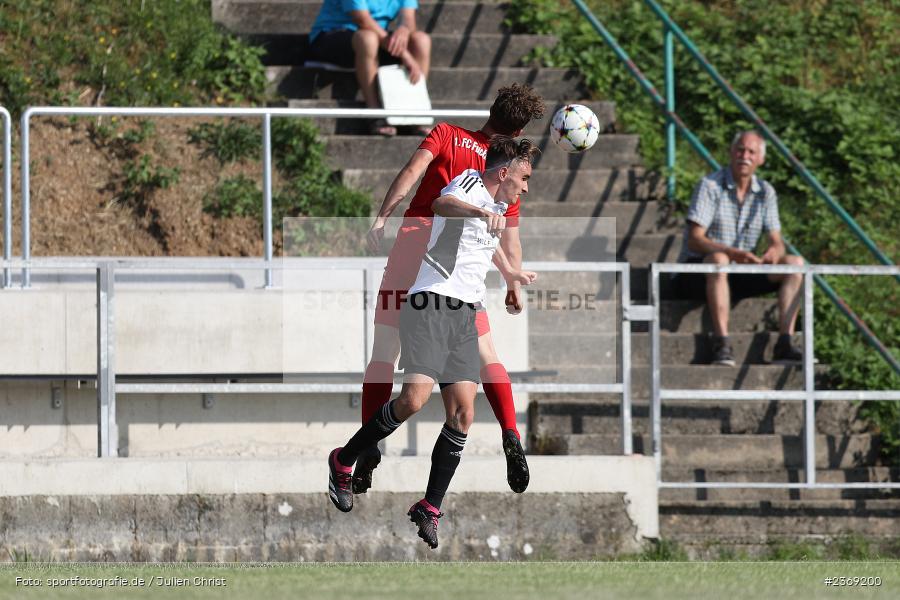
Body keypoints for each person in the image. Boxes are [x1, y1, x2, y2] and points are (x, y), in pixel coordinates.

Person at [328, 137, 539, 550]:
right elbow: (442, 206)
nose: (526, 187)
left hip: (464, 313)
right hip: (430, 303)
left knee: (462, 415)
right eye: (525, 177)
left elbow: (486, 241)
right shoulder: (469, 185)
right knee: (412, 400)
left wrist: (511, 273)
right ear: (504, 172)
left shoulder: (494, 208)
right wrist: (481, 212)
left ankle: (429, 506)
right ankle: (343, 459)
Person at [353, 83, 545, 498]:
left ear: (490, 110)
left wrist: (382, 218)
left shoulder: (447, 135)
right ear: (516, 133)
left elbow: (411, 173)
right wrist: (513, 279)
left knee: (384, 352)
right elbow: (509, 235)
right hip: (456, 271)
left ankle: (367, 446)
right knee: (486, 352)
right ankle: (510, 430)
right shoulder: (505, 169)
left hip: (414, 248)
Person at [673, 130, 804, 366]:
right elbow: (694, 239)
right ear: (731, 153)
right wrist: (731, 253)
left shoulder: (766, 192)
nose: (745, 156)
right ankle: (721, 343)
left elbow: (777, 239)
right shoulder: (710, 186)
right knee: (720, 260)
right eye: (740, 150)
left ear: (760, 160)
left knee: (795, 264)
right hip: (699, 272)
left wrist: (774, 249)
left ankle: (785, 342)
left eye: (752, 152)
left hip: (740, 270)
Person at [308, 0, 431, 136]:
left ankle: (416, 115)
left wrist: (404, 29)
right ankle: (375, 115)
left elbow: (409, 19)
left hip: (377, 37)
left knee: (421, 40)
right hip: (331, 36)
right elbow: (362, 20)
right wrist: (405, 55)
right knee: (368, 39)